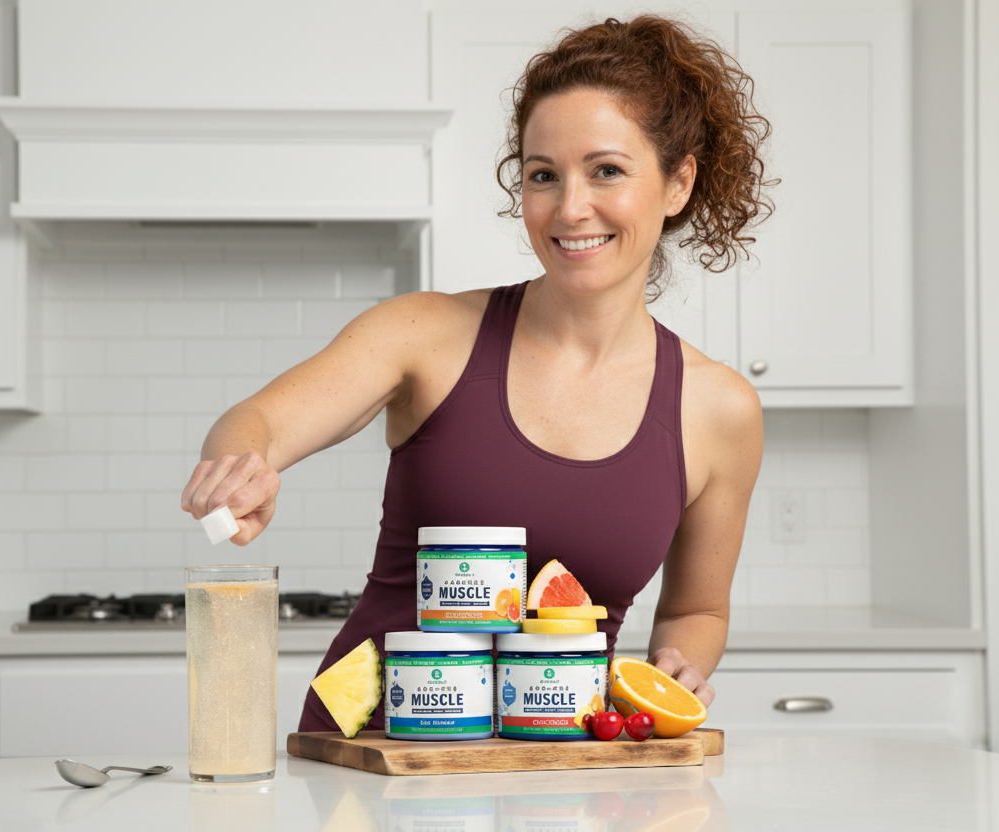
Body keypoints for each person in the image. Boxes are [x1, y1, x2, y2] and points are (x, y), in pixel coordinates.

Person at [181, 14, 773, 733]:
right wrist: (237, 471)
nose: (570, 208)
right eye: (543, 176)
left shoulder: (718, 409)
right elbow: (259, 424)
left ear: (678, 183)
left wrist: (678, 666)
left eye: (607, 171)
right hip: (371, 753)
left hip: (565, 762)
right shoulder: (425, 334)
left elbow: (697, 610)